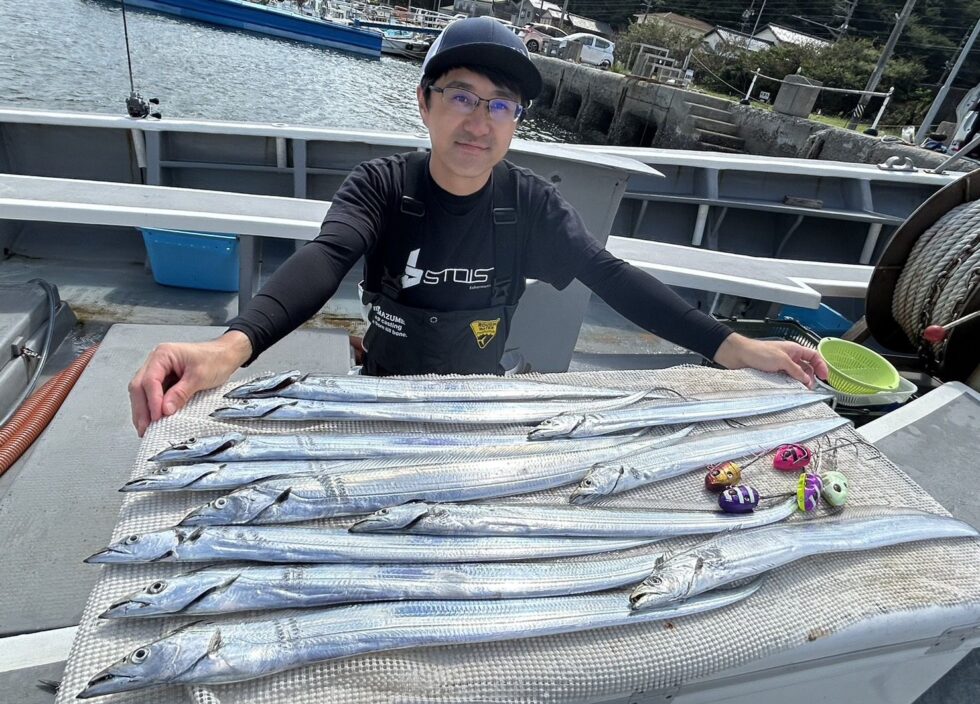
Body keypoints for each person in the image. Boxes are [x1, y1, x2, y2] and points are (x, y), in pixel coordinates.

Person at [129, 16, 828, 436]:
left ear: (516, 123)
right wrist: (232, 348)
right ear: (425, 103)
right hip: (382, 396)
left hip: (479, 403)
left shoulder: (529, 204)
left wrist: (731, 345)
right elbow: (325, 257)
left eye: (502, 105)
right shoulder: (381, 186)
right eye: (462, 95)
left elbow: (610, 275)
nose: (480, 119)